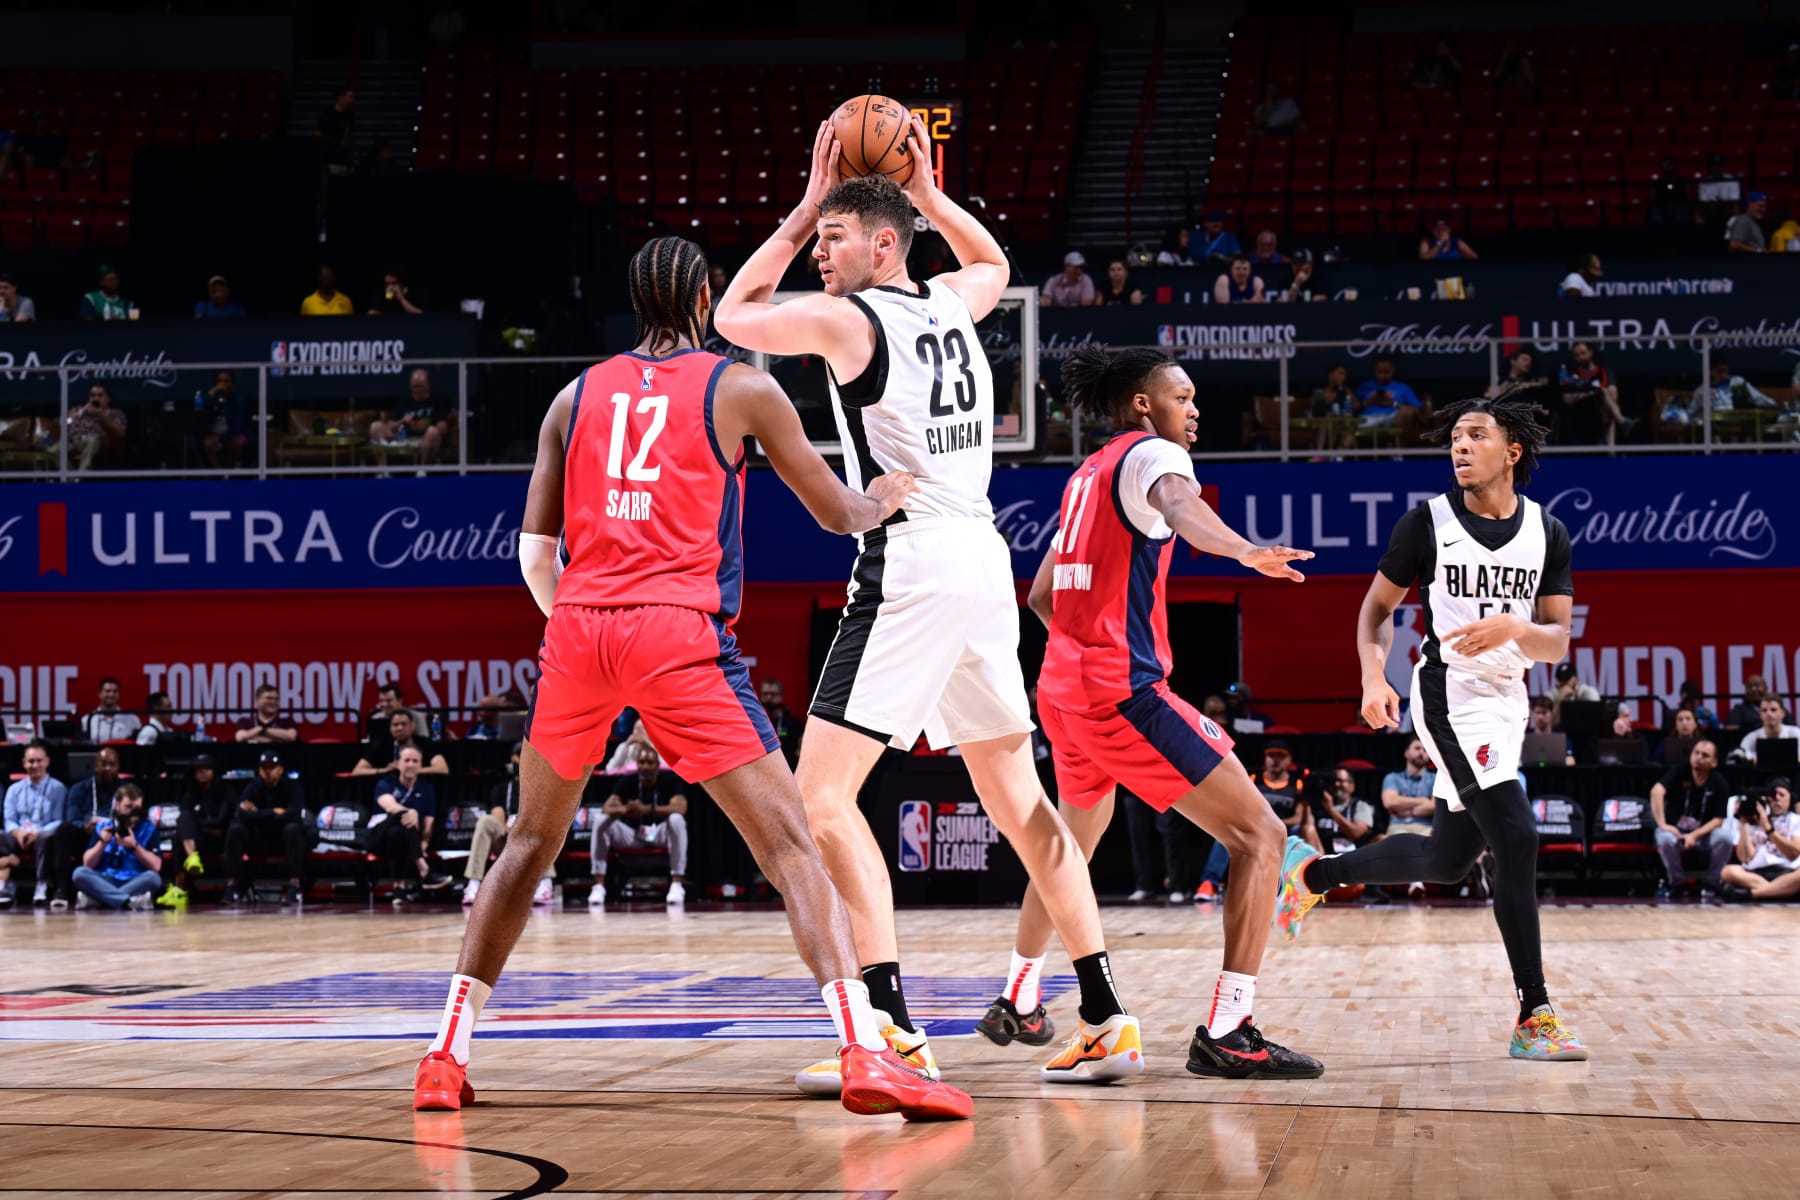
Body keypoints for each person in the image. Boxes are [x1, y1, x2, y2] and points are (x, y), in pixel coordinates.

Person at [413, 230, 967, 1121]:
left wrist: (585, 636)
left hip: (582, 628)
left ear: (638, 304)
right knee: (791, 849)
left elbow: (532, 555)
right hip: (679, 634)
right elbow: (836, 514)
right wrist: (884, 500)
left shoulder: (573, 395)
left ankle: (444, 1056)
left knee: (527, 844)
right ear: (707, 298)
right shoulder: (741, 386)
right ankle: (865, 1051)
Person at [716, 120, 1148, 1097]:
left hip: (909, 565)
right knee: (1021, 802)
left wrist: (801, 203)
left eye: (832, 237)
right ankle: (1107, 1013)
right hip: (985, 565)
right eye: (815, 237)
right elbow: (991, 256)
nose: (816, 252)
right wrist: (929, 190)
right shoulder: (954, 300)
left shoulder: (852, 320)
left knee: (819, 798)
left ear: (879, 244)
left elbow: (735, 316)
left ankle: (892, 1027)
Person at [975, 342, 1322, 1080]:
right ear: (1144, 404)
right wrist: (1241, 550)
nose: (1194, 410)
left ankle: (1020, 993)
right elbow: (1182, 507)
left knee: (1068, 847)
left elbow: (1040, 598)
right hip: (1119, 692)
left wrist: (1081, 646)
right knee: (1261, 835)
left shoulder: (1085, 475)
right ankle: (1231, 1029)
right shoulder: (1152, 459)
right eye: (1183, 397)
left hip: (1062, 691)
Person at [1290, 386, 1591, 1062]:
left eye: (1477, 435)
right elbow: (1375, 610)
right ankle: (1534, 1014)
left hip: (1508, 699)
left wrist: (1519, 626)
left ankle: (1309, 874)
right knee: (1516, 833)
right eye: (1455, 436)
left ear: (1511, 451)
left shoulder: (1549, 531)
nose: (1461, 445)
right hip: (1448, 693)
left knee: (1449, 860)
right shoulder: (1426, 524)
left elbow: (1557, 642)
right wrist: (1374, 676)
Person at [586, 743, 689, 906]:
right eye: (641, 762)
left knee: (677, 819)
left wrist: (647, 810)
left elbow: (681, 807)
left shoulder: (669, 780)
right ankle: (599, 885)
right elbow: (607, 807)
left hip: (659, 834)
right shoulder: (628, 781)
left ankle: (677, 884)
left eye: (649, 763)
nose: (645, 767)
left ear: (657, 765)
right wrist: (626, 809)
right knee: (601, 820)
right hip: (633, 835)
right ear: (636, 764)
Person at [462, 743, 554, 907]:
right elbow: (497, 817)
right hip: (508, 841)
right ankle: (474, 883)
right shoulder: (501, 788)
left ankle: (545, 884)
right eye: (522, 756)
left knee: (542, 824)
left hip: (532, 839)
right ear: (514, 759)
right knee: (485, 821)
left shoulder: (542, 786)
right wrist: (511, 830)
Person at [222, 752, 309, 907]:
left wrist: (257, 813)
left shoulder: (292, 786)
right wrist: (274, 811)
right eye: (264, 768)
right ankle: (232, 886)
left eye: (272, 767)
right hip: (259, 840)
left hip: (282, 842)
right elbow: (241, 815)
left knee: (293, 830)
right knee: (236, 830)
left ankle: (295, 886)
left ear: (281, 769)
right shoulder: (253, 786)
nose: (268, 772)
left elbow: (293, 815)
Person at [1649, 739, 1732, 896]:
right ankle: (1677, 884)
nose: (1699, 757)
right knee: (1664, 838)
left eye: (1705, 755)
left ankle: (1712, 884)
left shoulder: (1719, 782)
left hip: (1702, 835)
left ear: (1714, 762)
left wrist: (1694, 835)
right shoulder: (1680, 771)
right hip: (1676, 832)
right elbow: (1656, 791)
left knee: (1725, 837)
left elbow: (1719, 820)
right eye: (1696, 753)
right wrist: (1662, 824)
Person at [369, 747, 453, 903]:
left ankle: (399, 889)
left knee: (397, 833)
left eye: (415, 761)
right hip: (378, 838)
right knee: (401, 816)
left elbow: (429, 822)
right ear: (398, 764)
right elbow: (391, 807)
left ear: (421, 766)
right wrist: (411, 812)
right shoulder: (385, 784)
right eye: (406, 760)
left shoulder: (426, 788)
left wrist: (423, 844)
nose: (410, 764)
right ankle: (424, 870)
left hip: (405, 842)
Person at [2, 741, 75, 907]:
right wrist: (18, 833)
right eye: (30, 761)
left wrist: (37, 833)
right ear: (23, 763)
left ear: (47, 762)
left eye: (38, 761)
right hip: (19, 835)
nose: (34, 765)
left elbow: (59, 820)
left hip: (43, 834)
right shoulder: (14, 789)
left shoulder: (58, 789)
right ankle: (3, 884)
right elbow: (9, 819)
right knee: (1, 836)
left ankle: (41, 884)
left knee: (47, 837)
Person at [72, 783, 162, 910]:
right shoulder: (103, 826)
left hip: (134, 879)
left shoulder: (148, 829)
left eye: (137, 808)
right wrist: (102, 842)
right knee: (79, 873)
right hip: (105, 879)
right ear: (117, 805)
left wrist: (134, 846)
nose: (133, 813)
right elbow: (87, 863)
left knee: (154, 878)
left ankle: (100, 900)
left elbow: (156, 866)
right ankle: (127, 901)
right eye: (128, 807)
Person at [163, 754, 232, 907]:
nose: (202, 773)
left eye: (206, 769)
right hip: (197, 839)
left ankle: (181, 882)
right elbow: (184, 815)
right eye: (198, 770)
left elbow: (221, 821)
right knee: (179, 833)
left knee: (183, 830)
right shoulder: (190, 793)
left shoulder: (225, 791)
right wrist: (200, 824)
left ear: (214, 771)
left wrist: (197, 823)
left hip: (219, 840)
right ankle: (181, 885)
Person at [1719, 781, 1800, 901]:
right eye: (1773, 795)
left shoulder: (1796, 820)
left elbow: (1794, 853)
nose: (1777, 799)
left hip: (1786, 870)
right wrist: (1743, 823)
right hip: (1757, 872)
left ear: (1790, 798)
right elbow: (1745, 858)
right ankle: (1782, 892)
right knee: (1728, 871)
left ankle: (1752, 894)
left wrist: (1768, 829)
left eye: (1782, 795)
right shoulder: (1754, 820)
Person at [369, 368, 450, 465]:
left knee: (432, 431)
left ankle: (422, 470)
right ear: (410, 386)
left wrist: (426, 424)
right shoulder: (404, 402)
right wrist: (402, 421)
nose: (418, 390)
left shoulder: (437, 401)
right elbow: (390, 426)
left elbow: (443, 427)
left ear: (428, 386)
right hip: (403, 437)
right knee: (375, 427)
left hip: (425, 439)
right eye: (415, 387)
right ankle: (383, 471)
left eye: (421, 386)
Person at [1555, 342, 1626, 446]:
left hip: (1603, 411)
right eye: (1577, 355)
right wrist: (1591, 394)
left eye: (1583, 353)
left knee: (1606, 399)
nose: (1581, 357)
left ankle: (1610, 448)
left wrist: (1599, 394)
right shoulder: (1571, 375)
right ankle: (1621, 422)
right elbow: (1567, 399)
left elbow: (1613, 395)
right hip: (1582, 412)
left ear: (1591, 353)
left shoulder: (1604, 371)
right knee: (1603, 394)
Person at [353, 710, 449, 776]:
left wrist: (412, 770)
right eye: (395, 725)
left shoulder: (425, 743)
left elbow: (442, 769)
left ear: (412, 726)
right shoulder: (381, 745)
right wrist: (384, 771)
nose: (399, 728)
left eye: (404, 724)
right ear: (390, 728)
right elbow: (357, 771)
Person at [1313, 767, 1378, 854]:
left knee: (1381, 838)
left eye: (1340, 781)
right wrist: (1306, 803)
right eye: (1334, 781)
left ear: (1352, 786)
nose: (1336, 784)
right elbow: (1307, 832)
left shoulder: (1360, 805)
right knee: (1307, 829)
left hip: (1353, 855)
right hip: (1324, 855)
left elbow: (1355, 833)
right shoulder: (1319, 806)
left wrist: (1331, 809)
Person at [1353, 355, 1422, 433]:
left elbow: (1417, 410)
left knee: (1406, 413)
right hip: (1368, 419)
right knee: (1349, 426)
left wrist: (1393, 403)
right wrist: (1369, 401)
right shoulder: (1364, 387)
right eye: (1379, 372)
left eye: (1386, 372)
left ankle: (1400, 444)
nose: (1382, 375)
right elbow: (1352, 407)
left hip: (1391, 418)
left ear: (1393, 371)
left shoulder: (1403, 388)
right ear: (1374, 371)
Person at [81, 676, 143, 743]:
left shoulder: (132, 718)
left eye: (115, 691)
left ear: (119, 694)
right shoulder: (87, 719)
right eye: (107, 691)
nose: (111, 694)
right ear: (99, 694)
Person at [1739, 697, 1800, 764]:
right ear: (1760, 715)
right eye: (1764, 710)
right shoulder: (1750, 738)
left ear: (1783, 713)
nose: (1768, 713)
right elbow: (1741, 758)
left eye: (1773, 710)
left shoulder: (1796, 733)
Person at [234, 683, 300, 744]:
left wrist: (263, 730)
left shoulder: (287, 722)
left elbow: (291, 736)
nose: (273, 702)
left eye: (276, 699)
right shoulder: (245, 722)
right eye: (269, 698)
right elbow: (240, 737)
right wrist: (278, 738)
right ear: (257, 700)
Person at [759, 679, 802, 767]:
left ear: (781, 696)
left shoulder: (793, 724)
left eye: (773, 694)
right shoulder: (755, 724)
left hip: (788, 771)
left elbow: (800, 751)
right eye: (765, 694)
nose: (769, 697)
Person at [317, 87, 355, 175]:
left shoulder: (349, 116)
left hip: (344, 160)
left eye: (352, 97)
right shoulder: (328, 114)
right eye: (349, 97)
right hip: (329, 160)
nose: (351, 100)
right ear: (340, 97)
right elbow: (318, 134)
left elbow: (349, 137)